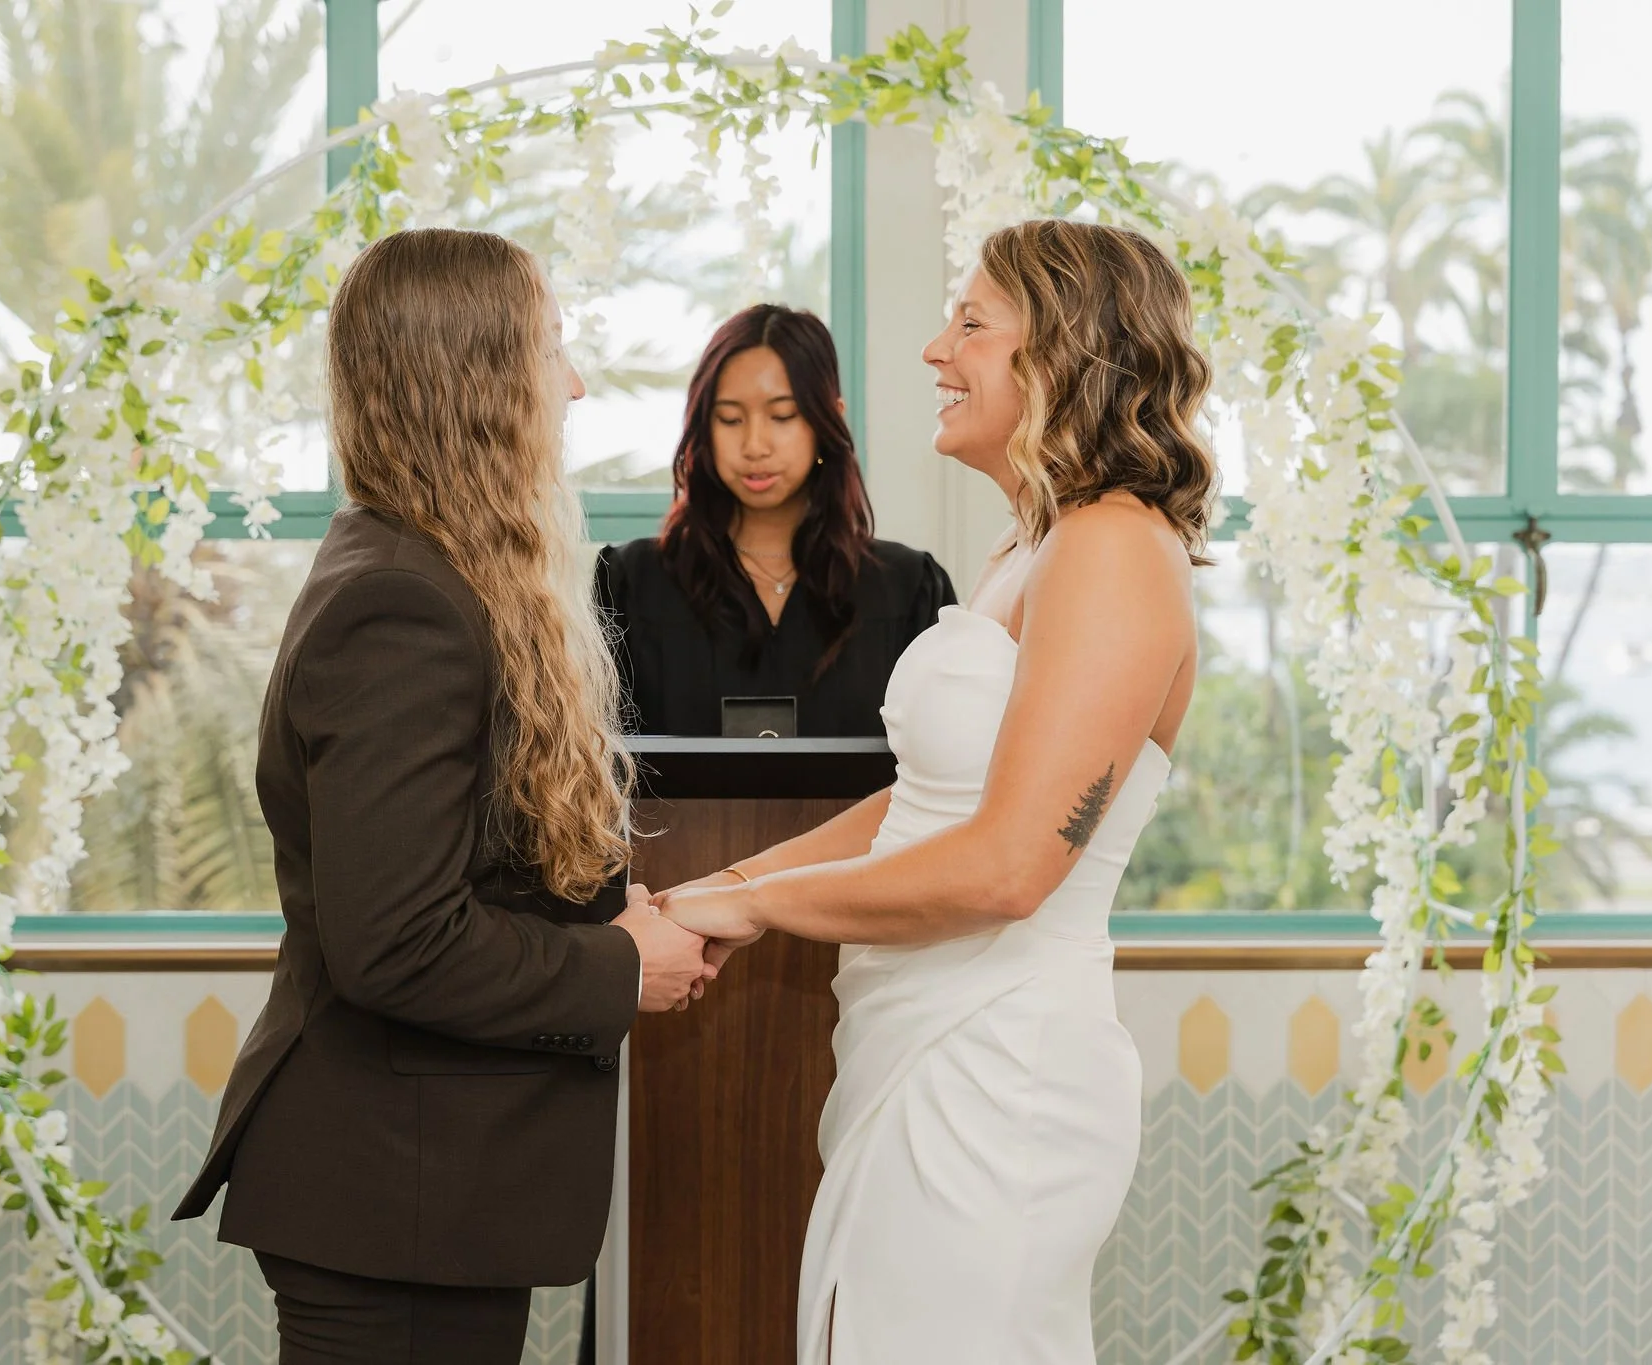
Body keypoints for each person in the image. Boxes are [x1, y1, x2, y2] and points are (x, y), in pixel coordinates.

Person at [659, 219, 1217, 1364]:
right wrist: (718, 883)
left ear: (1066, 355)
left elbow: (1011, 867)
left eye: (970, 324)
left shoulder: (1112, 548)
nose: (931, 350)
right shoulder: (1036, 548)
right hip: (916, 1048)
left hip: (998, 1075)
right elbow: (922, 802)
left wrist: (754, 912)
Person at [173, 228, 713, 1365]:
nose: (569, 385)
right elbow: (398, 942)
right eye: (549, 350)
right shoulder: (400, 610)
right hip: (390, 1195)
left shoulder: (417, 572)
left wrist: (600, 914)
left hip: (423, 1193)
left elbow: (446, 869)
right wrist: (621, 967)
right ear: (473, 382)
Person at [594, 304, 956, 737]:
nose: (754, 445)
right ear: (703, 429)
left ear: (828, 421)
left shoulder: (910, 588)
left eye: (782, 416)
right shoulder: (631, 584)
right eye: (729, 419)